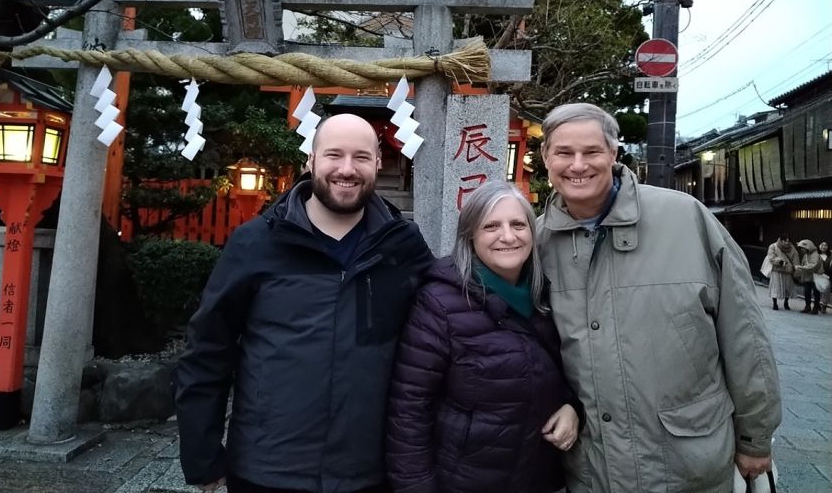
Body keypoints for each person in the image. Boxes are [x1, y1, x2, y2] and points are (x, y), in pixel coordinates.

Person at [174, 113, 434, 492]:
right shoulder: (257, 242)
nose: (347, 169)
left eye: (361, 157)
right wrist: (202, 455)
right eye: (333, 155)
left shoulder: (403, 246)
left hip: (371, 468)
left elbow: (443, 328)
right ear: (310, 160)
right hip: (268, 468)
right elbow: (207, 350)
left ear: (378, 163)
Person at [535, 102, 782, 493]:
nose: (577, 165)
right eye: (564, 153)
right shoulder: (536, 241)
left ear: (614, 153)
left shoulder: (686, 217)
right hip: (592, 463)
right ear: (546, 157)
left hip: (689, 458)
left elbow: (744, 335)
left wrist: (755, 436)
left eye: (592, 152)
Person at [385, 180, 581, 493]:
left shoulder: (548, 295)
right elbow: (409, 411)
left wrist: (573, 408)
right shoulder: (439, 303)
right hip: (463, 481)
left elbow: (576, 371)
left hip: (538, 478)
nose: (507, 236)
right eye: (491, 226)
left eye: (518, 224)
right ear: (470, 235)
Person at [766, 234, 798, 310]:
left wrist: (796, 267)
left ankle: (786, 302)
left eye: (788, 241)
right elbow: (771, 257)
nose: (787, 243)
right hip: (777, 270)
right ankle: (775, 303)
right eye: (785, 240)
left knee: (788, 288)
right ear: (780, 239)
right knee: (775, 287)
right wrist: (779, 262)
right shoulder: (773, 246)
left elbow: (795, 258)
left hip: (787, 270)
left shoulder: (792, 248)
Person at [795, 239, 823, 315]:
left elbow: (813, 266)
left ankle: (815, 308)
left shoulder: (815, 255)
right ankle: (808, 306)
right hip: (808, 276)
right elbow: (804, 265)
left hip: (815, 276)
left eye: (803, 248)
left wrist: (801, 267)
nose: (802, 249)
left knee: (816, 293)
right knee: (807, 292)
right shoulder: (806, 255)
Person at [817, 241, 830, 314]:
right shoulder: (816, 255)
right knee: (817, 291)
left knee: (826, 291)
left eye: (825, 245)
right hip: (817, 275)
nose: (824, 247)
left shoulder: (830, 256)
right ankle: (817, 304)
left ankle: (824, 306)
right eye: (822, 245)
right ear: (819, 246)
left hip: (828, 276)